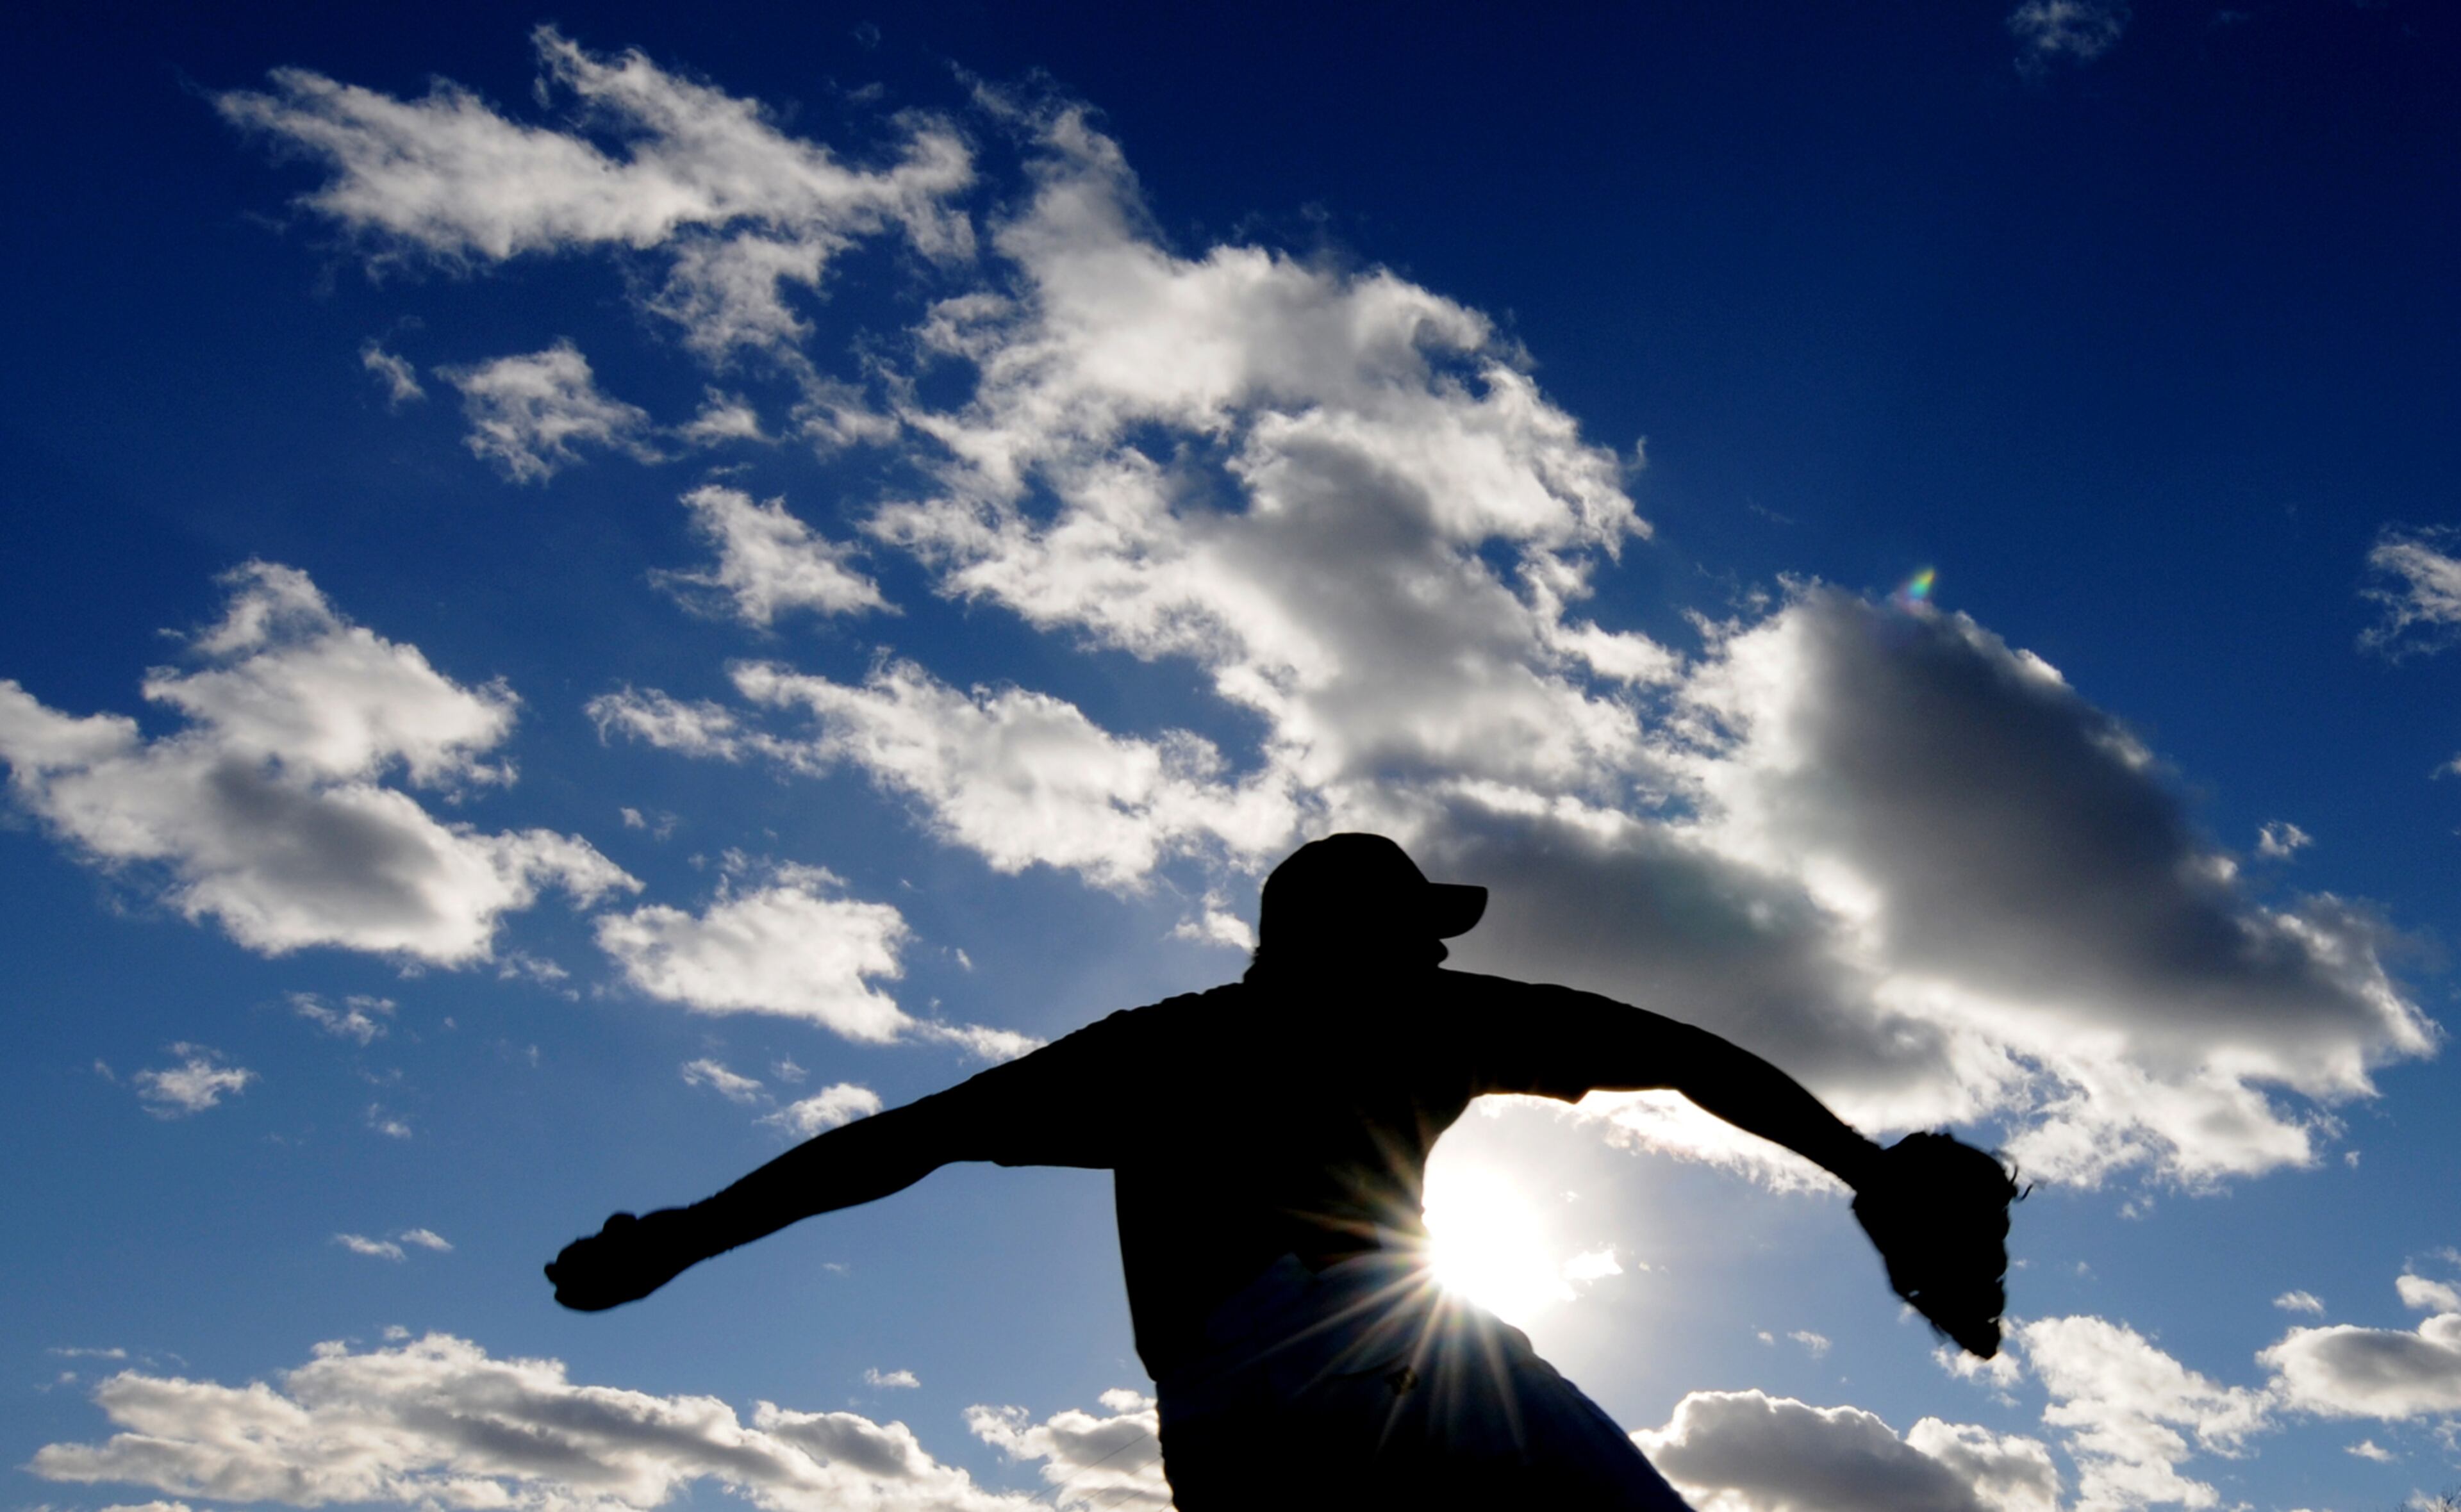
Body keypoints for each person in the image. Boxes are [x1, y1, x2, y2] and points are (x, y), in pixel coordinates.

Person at [547, 833, 2014, 1511]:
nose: (1442, 951)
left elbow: (898, 1144)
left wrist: (685, 1235)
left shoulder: (1151, 1046)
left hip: (1216, 1411)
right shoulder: (1414, 1013)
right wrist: (1861, 1167)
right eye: (1420, 928)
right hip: (1378, 1357)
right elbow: (1685, 1052)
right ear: (1364, 938)